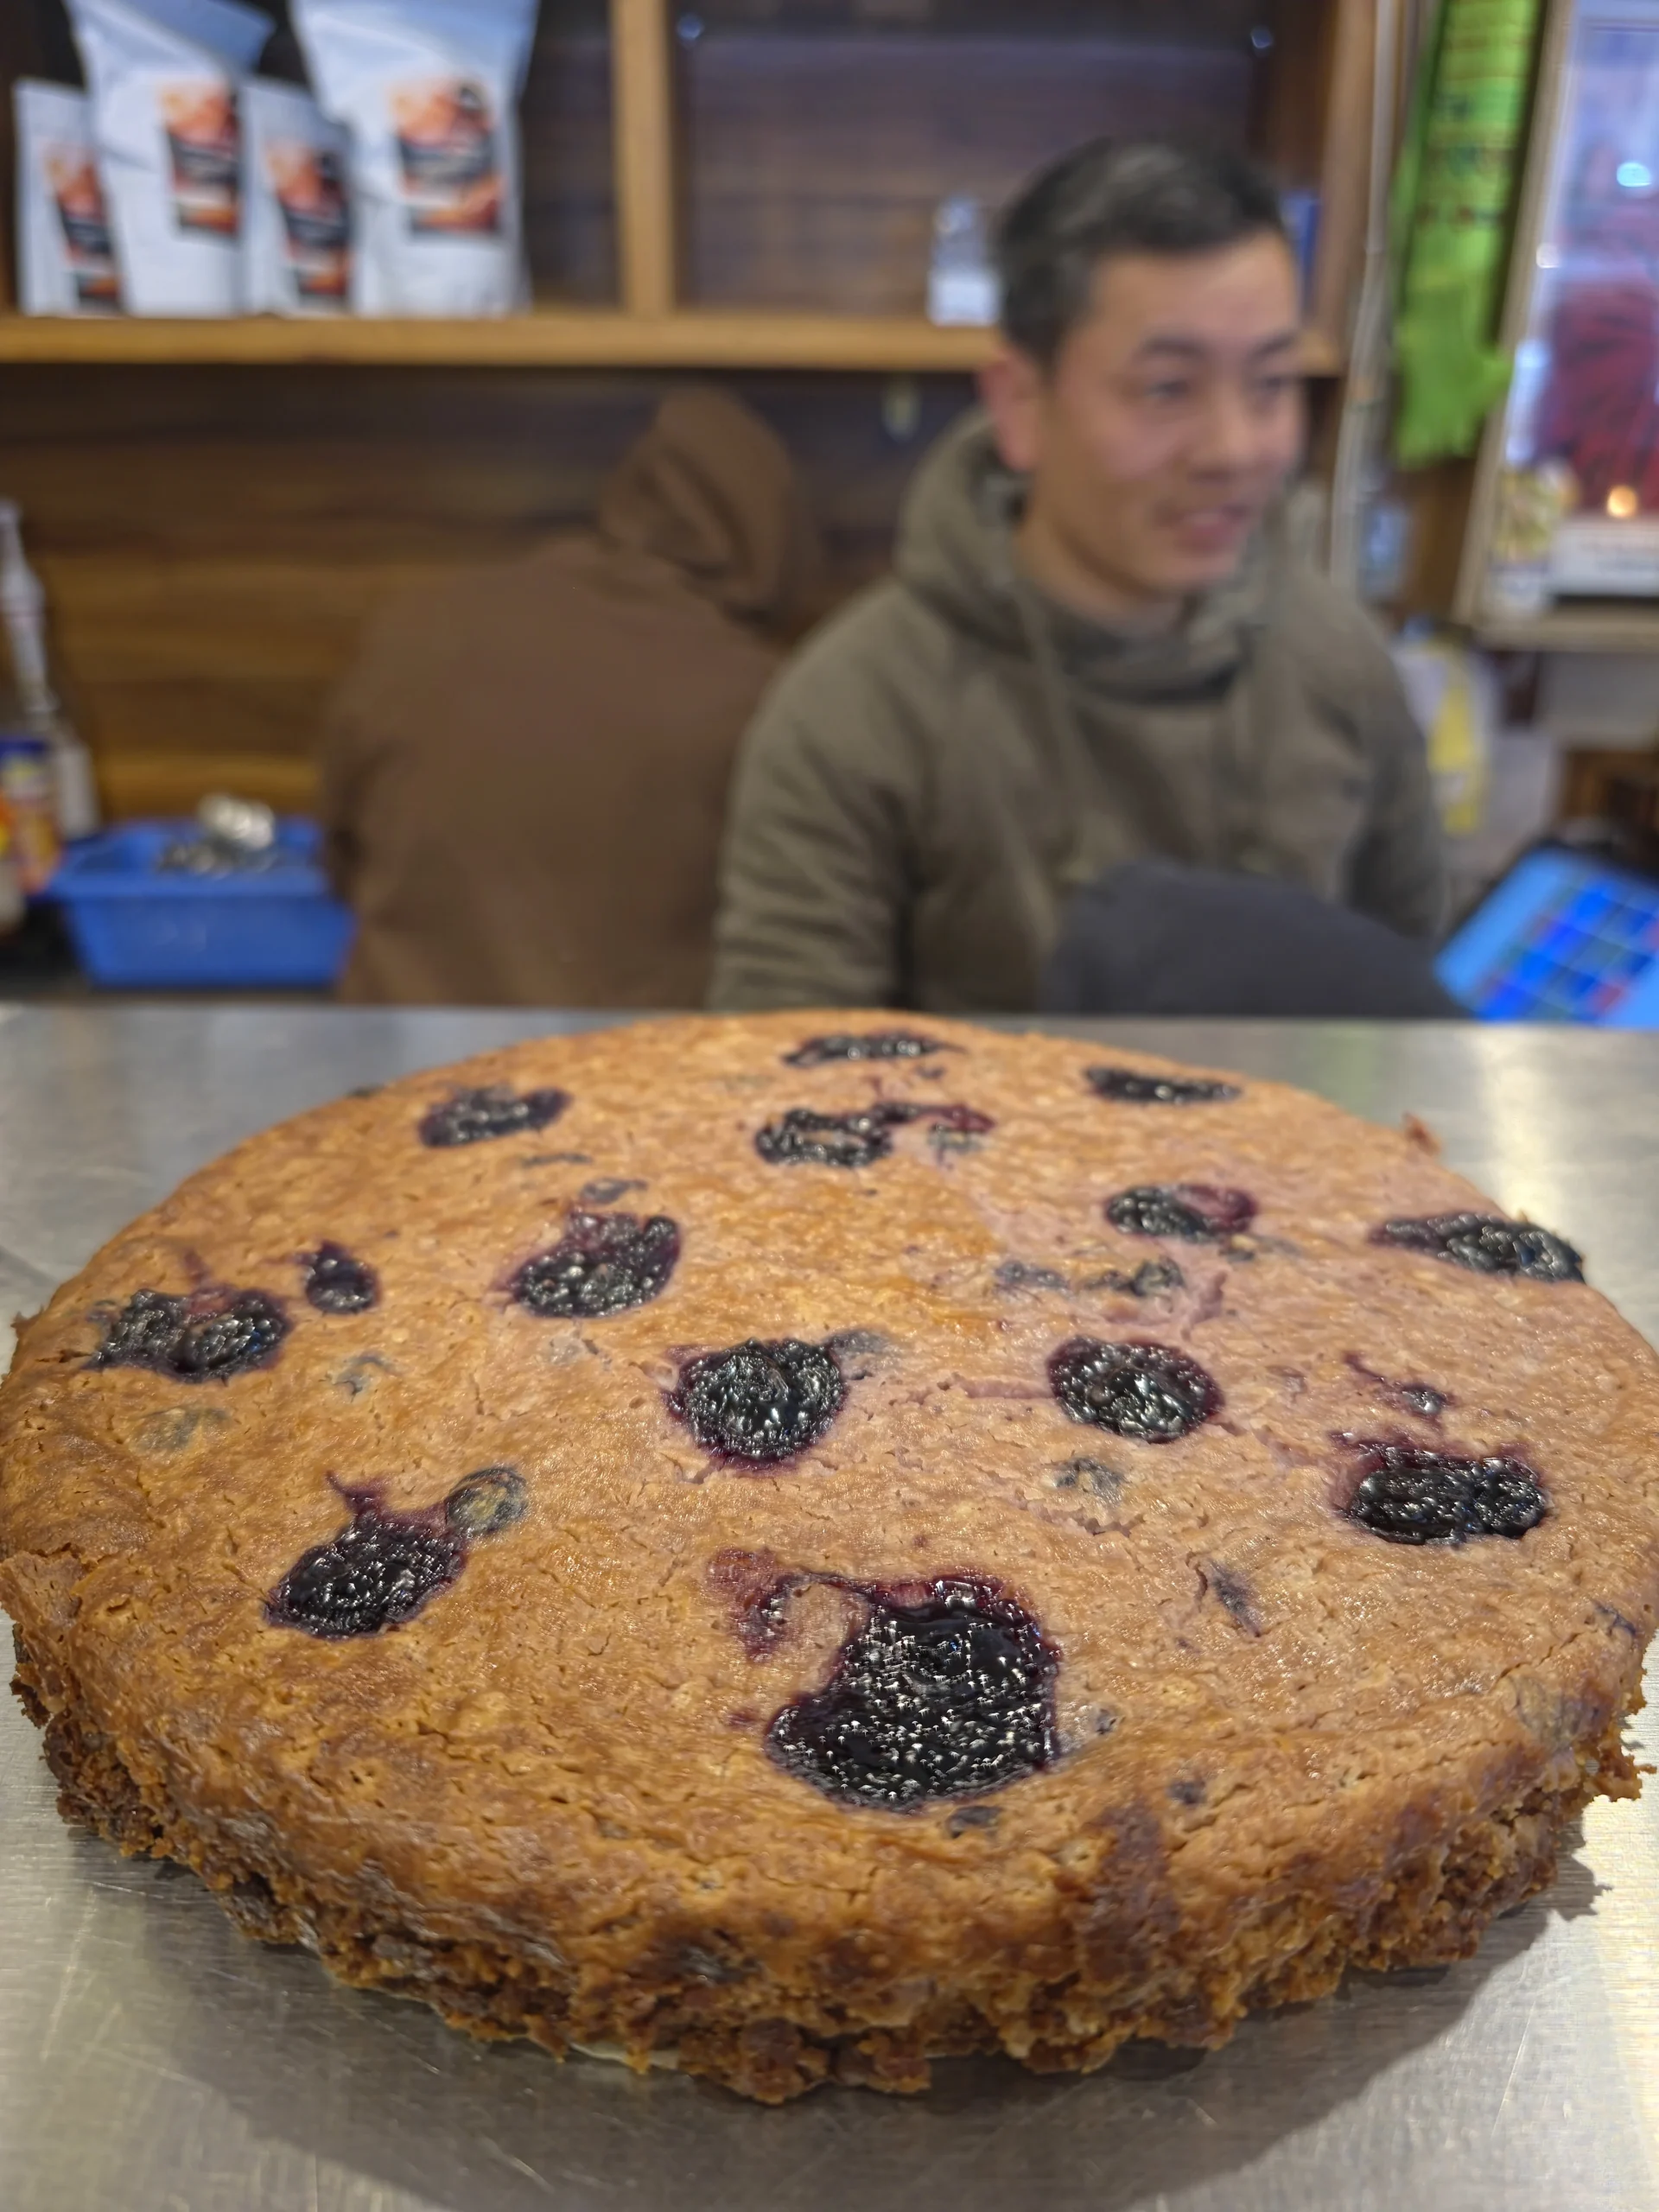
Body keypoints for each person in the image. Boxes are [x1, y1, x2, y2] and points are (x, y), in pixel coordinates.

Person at [709, 139, 1445, 1014]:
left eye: (1272, 382)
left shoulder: (1339, 663)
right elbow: (787, 1069)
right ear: (1022, 404)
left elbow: (1411, 1015)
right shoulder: (859, 706)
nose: (1237, 450)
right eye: (1168, 388)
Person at [321, 388, 819, 1006]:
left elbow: (341, 855)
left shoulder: (420, 626)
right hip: (623, 1084)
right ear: (778, 546)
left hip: (397, 1068)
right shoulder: (764, 697)